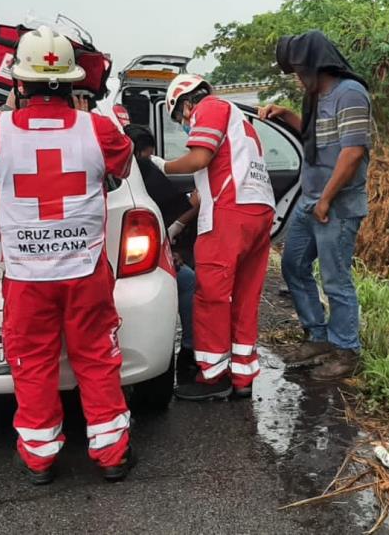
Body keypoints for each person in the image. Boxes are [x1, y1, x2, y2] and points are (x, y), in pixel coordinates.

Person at [0, 25, 135, 484]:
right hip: (85, 270)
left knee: (32, 361)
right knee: (96, 357)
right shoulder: (98, 129)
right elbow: (124, 162)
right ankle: (111, 454)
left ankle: (39, 458)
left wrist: (8, 108)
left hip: (25, 274)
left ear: (18, 82)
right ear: (76, 83)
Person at [151, 74, 276, 401]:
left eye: (182, 118)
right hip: (257, 213)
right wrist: (175, 226)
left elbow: (199, 158)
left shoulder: (210, 107)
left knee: (211, 297)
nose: (185, 125)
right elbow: (201, 191)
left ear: (187, 102)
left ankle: (213, 377)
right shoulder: (240, 124)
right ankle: (242, 377)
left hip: (229, 214)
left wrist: (162, 166)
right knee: (245, 296)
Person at [259, 30, 372, 380]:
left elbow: (352, 153)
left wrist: (325, 200)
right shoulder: (317, 96)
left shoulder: (350, 95)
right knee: (293, 266)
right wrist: (288, 115)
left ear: (314, 66)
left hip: (335, 206)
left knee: (336, 280)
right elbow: (315, 138)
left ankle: (346, 350)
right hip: (311, 202)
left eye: (297, 70)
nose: (295, 77)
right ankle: (318, 336)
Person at [123, 124, 200, 384]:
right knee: (187, 280)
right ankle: (190, 352)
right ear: (146, 152)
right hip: (126, 268)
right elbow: (172, 213)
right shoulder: (141, 172)